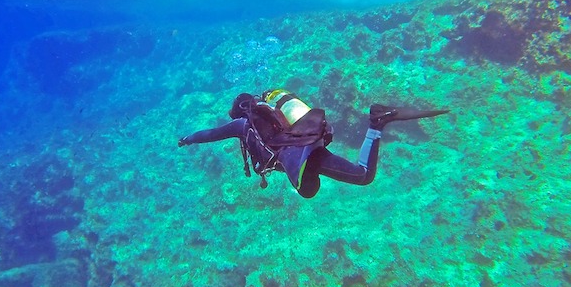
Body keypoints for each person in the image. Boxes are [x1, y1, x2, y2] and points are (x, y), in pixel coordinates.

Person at [178, 89, 448, 199]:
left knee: (363, 176)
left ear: (239, 111)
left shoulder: (241, 125)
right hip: (306, 144)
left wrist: (188, 139)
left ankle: (376, 121)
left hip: (301, 154)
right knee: (349, 177)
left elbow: (210, 134)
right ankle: (376, 122)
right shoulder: (272, 115)